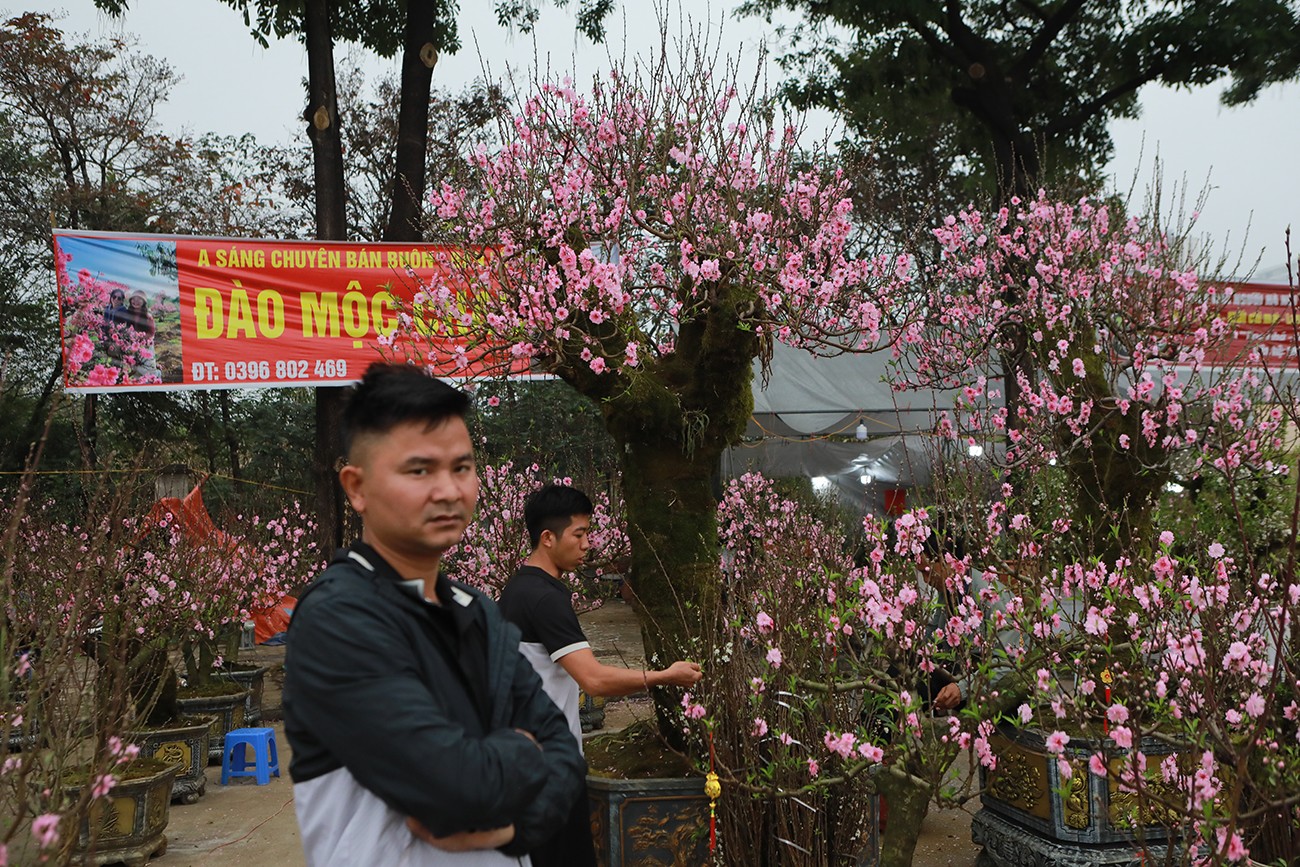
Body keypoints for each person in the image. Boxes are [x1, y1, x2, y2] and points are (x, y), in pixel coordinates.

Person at [283, 363, 585, 866]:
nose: (448, 490)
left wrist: (514, 828)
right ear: (355, 486)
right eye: (419, 470)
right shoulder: (338, 618)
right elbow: (454, 787)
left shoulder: (477, 611)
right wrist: (524, 751)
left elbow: (566, 755)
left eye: (461, 468)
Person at [497, 483, 704, 867]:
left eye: (589, 532)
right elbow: (592, 679)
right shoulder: (543, 598)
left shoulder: (517, 589)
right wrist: (663, 676)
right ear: (547, 538)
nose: (588, 543)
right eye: (579, 534)